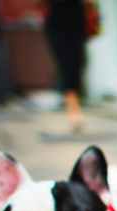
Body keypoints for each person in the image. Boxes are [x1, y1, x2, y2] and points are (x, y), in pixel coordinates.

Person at [42, 0, 88, 133]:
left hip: (76, 21)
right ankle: (74, 111)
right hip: (58, 25)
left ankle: (75, 107)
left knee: (78, 64)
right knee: (66, 66)